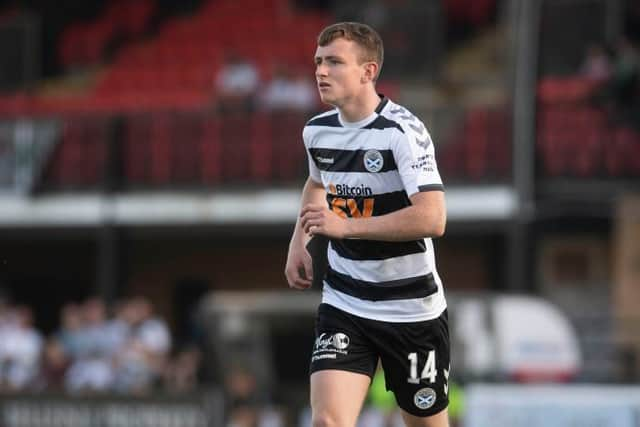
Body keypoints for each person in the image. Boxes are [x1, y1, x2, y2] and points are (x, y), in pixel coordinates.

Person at [284, 22, 450, 427]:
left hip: (412, 309)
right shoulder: (317, 131)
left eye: (335, 62)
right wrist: (298, 241)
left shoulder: (402, 132)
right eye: (319, 62)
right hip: (345, 301)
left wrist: (346, 228)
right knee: (326, 422)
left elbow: (433, 216)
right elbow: (317, 182)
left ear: (368, 71)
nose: (321, 72)